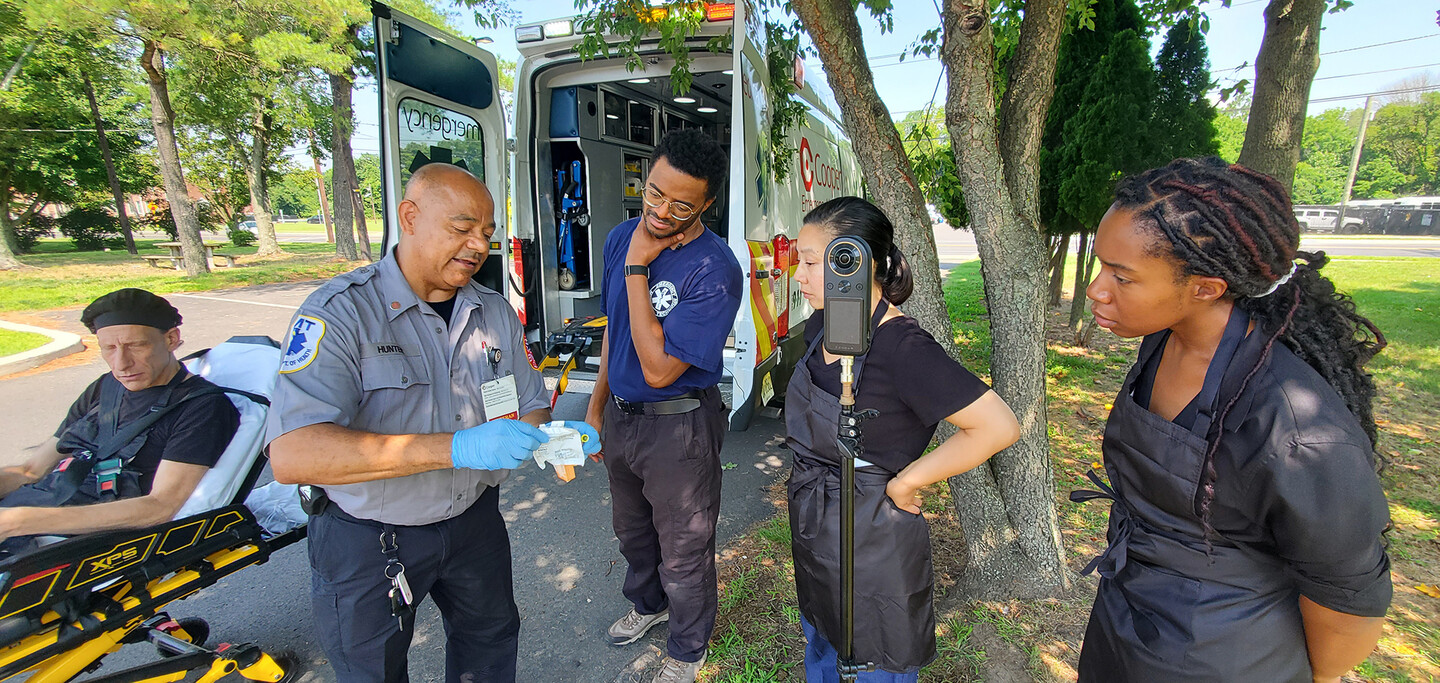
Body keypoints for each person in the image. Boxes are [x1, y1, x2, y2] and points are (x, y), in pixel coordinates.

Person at [265, 163, 599, 683]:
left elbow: (531, 402)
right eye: (461, 228)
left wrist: (547, 439)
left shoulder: (493, 312)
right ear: (410, 217)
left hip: (473, 522)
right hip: (371, 537)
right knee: (372, 670)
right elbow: (294, 454)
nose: (476, 246)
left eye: (486, 234)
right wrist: (459, 448)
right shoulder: (342, 313)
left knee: (489, 644)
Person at [1076, 157, 1392, 682]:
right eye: (1102, 265)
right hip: (1126, 617)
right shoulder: (1163, 340)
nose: (1095, 289)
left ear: (1206, 287)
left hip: (1221, 657)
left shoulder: (1297, 430)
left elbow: (1349, 601)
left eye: (1122, 277)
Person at [785, 197, 1020, 682]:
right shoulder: (818, 327)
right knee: (823, 638)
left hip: (871, 534)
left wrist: (908, 482)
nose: (800, 276)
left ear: (855, 262)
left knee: (874, 657)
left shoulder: (903, 347)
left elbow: (999, 426)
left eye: (811, 263)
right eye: (800, 262)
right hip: (815, 518)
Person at [583, 129, 743, 683]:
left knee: (684, 548)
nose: (660, 211)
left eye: (680, 205)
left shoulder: (713, 270)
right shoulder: (619, 236)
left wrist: (637, 267)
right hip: (623, 420)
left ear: (705, 205)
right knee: (632, 531)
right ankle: (649, 608)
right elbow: (614, 333)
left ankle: (687, 648)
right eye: (654, 193)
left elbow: (658, 368)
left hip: (679, 428)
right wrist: (595, 407)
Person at [0, 288, 240, 550]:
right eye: (109, 348)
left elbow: (160, 507)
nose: (121, 364)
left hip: (69, 542)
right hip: (34, 511)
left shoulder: (201, 408)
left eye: (135, 346)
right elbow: (31, 470)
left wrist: (19, 521)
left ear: (171, 339)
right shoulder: (106, 387)